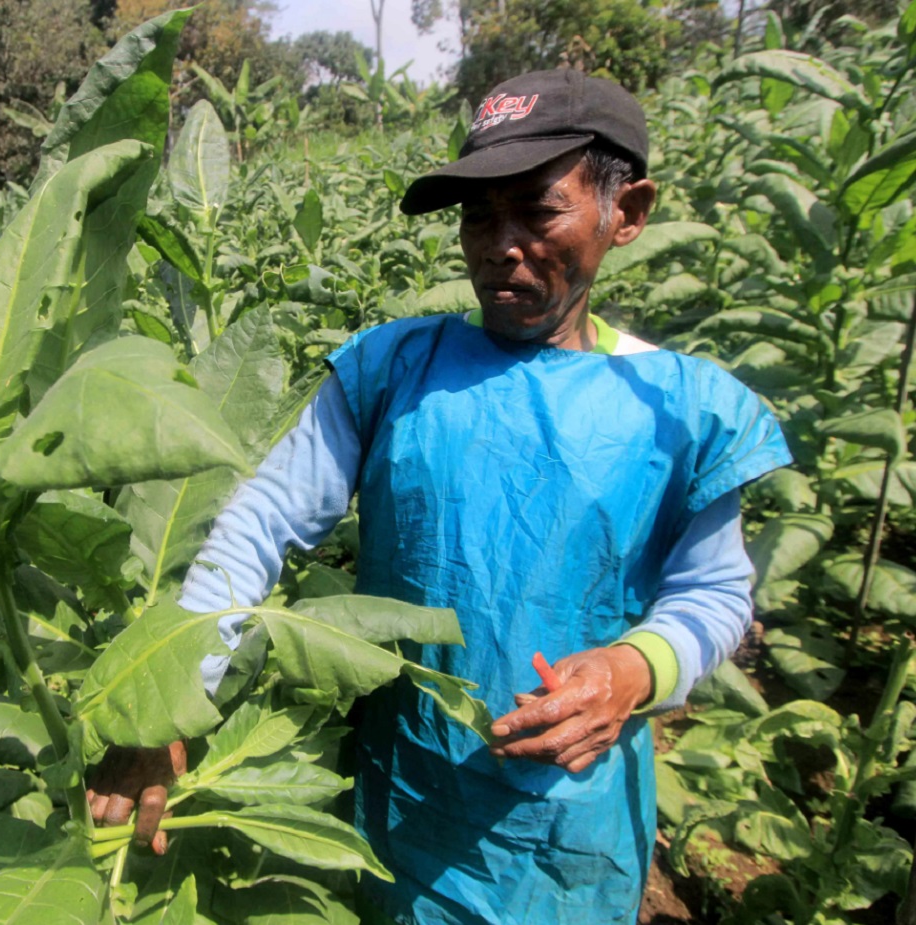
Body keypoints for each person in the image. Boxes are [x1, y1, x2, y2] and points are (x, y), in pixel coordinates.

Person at [87, 68, 792, 924]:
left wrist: (632, 669)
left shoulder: (683, 406)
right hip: (405, 804)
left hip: (570, 833)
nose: (500, 244)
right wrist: (166, 700)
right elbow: (260, 523)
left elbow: (715, 591)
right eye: (478, 216)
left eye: (537, 211)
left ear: (627, 213)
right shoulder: (391, 368)